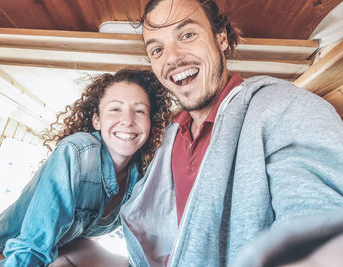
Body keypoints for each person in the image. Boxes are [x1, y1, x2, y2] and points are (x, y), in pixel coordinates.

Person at [119, 0, 343, 266]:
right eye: (157, 49)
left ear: (221, 38)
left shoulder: (285, 107)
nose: (172, 58)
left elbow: (318, 221)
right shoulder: (166, 136)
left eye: (187, 35)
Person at [0, 68, 173, 267]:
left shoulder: (139, 178)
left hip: (64, 249)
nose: (128, 121)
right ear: (97, 120)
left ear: (151, 122)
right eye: (115, 109)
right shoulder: (78, 152)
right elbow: (33, 246)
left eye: (139, 111)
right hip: (6, 255)